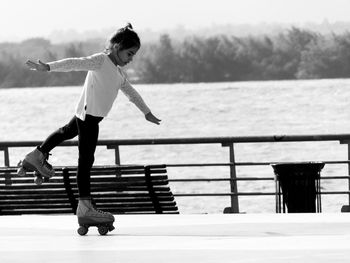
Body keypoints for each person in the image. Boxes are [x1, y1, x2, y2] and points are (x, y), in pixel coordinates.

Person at [22, 23, 161, 231]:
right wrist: (48, 67)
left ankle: (37, 154)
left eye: (133, 55)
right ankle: (85, 208)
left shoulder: (118, 73)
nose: (131, 59)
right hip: (88, 117)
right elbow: (75, 63)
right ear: (117, 46)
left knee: (66, 132)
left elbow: (132, 93)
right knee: (85, 161)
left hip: (89, 117)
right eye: (129, 53)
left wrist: (146, 112)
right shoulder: (101, 61)